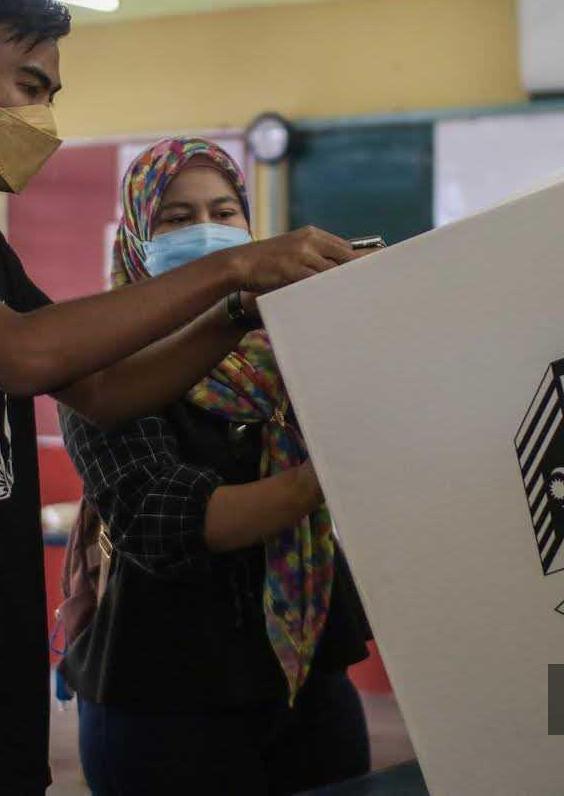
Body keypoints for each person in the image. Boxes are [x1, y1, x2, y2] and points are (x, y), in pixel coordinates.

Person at [0, 0, 361, 795]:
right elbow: (26, 354)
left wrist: (239, 313)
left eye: (52, 94)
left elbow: (102, 387)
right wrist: (231, 266)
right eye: (29, 86)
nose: (45, 119)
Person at [58, 137, 373, 796]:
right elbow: (164, 518)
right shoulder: (102, 361)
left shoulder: (294, 337)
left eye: (224, 211)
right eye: (176, 218)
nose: (208, 231)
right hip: (163, 694)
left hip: (307, 671)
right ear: (139, 234)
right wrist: (325, 475)